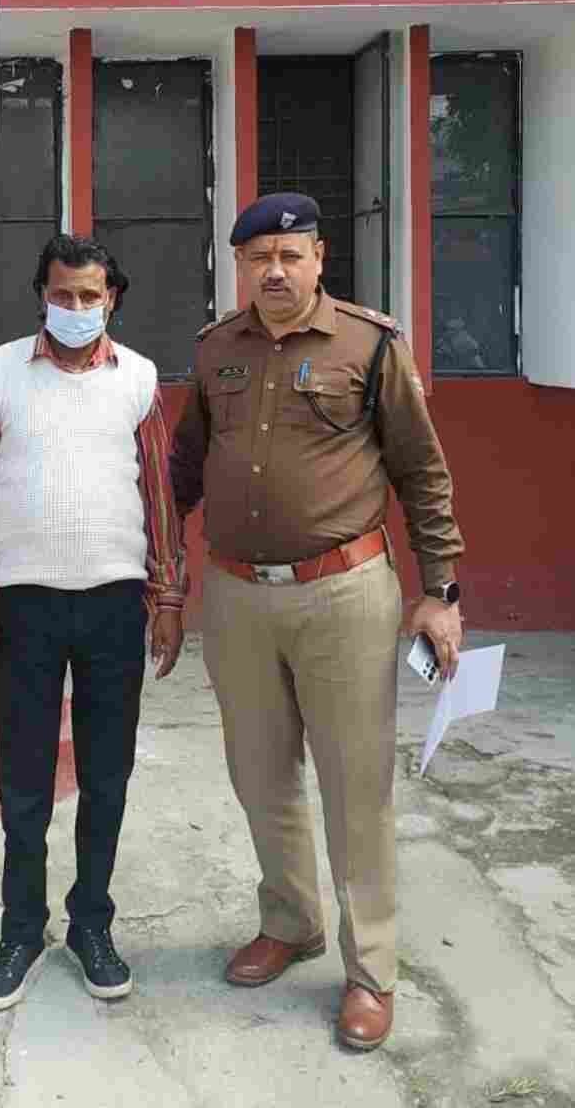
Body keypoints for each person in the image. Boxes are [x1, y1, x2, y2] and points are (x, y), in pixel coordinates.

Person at [169, 193, 464, 1052]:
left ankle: (371, 967)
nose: (274, 271)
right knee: (260, 773)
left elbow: (422, 472)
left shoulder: (370, 345)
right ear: (239, 265)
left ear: (319, 258)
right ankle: (291, 919)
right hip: (236, 597)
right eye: (258, 257)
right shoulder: (215, 349)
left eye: (289, 255)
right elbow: (184, 467)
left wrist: (441, 590)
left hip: (345, 593)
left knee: (355, 783)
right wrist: (154, 562)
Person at [0, 233, 186, 1011]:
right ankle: (21, 929)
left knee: (106, 776)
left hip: (116, 602)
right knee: (22, 780)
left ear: (110, 297)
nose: (76, 307)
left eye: (89, 295)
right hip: (27, 606)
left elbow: (158, 495)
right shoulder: (1, 373)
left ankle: (91, 924)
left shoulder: (139, 379)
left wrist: (169, 597)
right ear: (41, 295)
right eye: (62, 294)